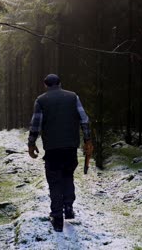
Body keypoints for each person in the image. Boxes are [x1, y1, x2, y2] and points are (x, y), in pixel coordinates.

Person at [27, 73, 93, 232]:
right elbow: (84, 119)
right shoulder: (73, 97)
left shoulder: (41, 100)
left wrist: (31, 143)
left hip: (52, 148)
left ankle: (57, 217)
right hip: (71, 146)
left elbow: (36, 123)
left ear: (45, 85)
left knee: (55, 181)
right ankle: (68, 207)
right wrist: (87, 139)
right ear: (60, 83)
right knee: (67, 176)